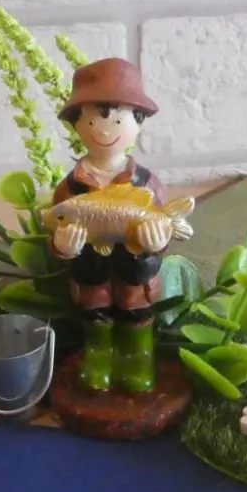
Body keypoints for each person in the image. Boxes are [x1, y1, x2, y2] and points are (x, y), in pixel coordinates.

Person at [50, 57, 169, 393]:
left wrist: (157, 240)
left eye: (118, 119)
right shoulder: (71, 188)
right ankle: (99, 356)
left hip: (135, 271)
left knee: (135, 309)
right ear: (76, 124)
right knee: (94, 309)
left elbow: (162, 220)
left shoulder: (146, 183)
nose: (104, 130)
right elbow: (54, 226)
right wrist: (61, 246)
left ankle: (138, 357)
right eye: (92, 119)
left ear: (139, 123)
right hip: (91, 272)